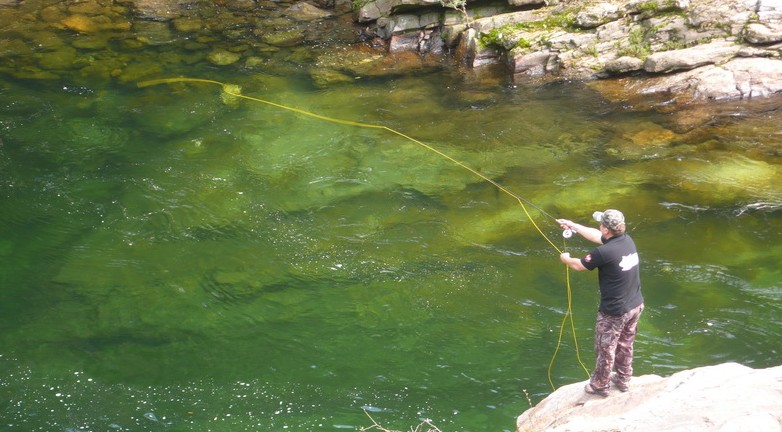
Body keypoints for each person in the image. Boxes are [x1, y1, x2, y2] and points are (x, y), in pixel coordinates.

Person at [556, 209, 644, 397]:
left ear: (606, 229)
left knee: (605, 348)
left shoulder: (603, 252)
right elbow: (598, 236)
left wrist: (565, 259)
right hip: (635, 305)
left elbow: (578, 265)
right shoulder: (626, 240)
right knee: (625, 344)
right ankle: (623, 379)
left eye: (601, 224)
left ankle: (600, 385)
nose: (599, 226)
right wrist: (575, 226)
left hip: (615, 311)